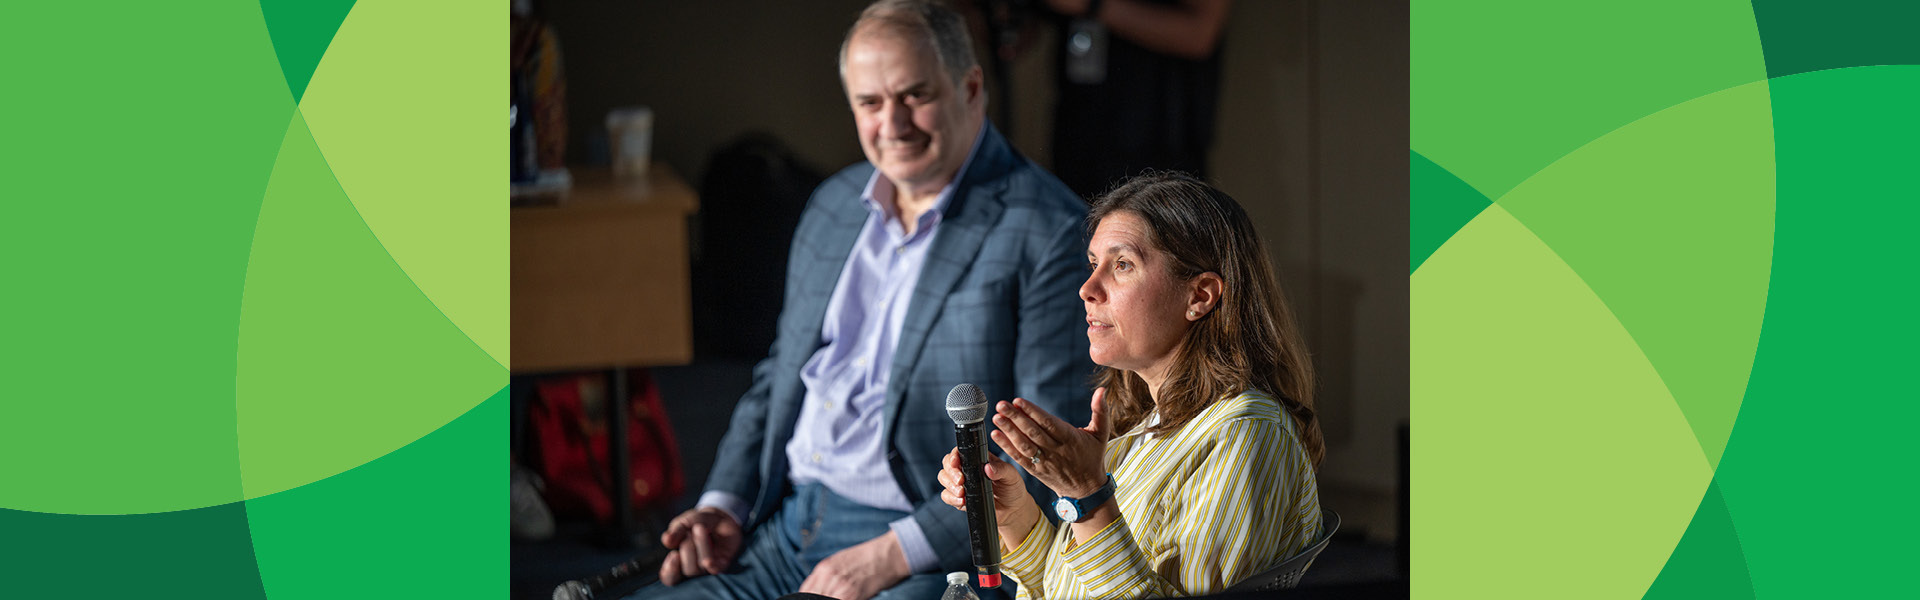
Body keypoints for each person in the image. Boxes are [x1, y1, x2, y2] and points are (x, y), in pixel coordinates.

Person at [632, 2, 1094, 599]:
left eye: (915, 96)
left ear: (971, 87)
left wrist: (891, 554)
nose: (893, 123)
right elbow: (779, 379)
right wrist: (724, 504)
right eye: (870, 104)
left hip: (931, 550)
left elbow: (1046, 453)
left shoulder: (1050, 229)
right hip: (784, 522)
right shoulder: (832, 203)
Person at [938, 171, 1325, 598]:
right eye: (1093, 264)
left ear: (1200, 295)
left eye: (1122, 265)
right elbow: (1073, 587)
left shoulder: (1248, 431)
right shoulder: (1149, 425)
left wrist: (1088, 499)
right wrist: (1015, 518)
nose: (1087, 288)